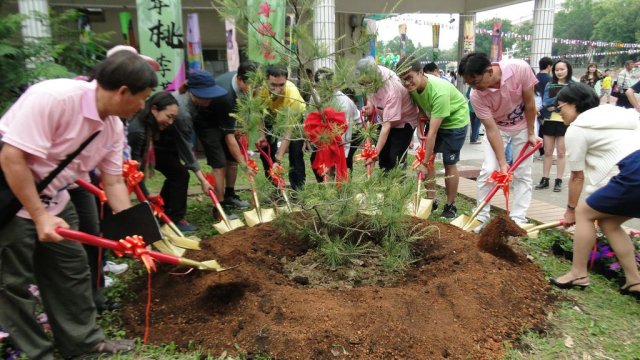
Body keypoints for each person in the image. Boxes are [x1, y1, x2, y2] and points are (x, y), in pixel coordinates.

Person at [0, 51, 157, 359]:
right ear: (123, 91)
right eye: (142, 99)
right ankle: (35, 351)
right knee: (11, 284)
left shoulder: (111, 127)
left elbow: (113, 182)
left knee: (71, 270)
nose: (142, 107)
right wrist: (39, 216)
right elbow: (11, 158)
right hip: (13, 197)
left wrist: (132, 234)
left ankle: (83, 342)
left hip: (56, 200)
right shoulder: (53, 98)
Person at [549, 82, 640, 300]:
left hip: (635, 172)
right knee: (609, 222)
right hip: (633, 172)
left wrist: (570, 211)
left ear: (575, 104)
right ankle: (635, 281)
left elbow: (577, 176)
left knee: (583, 213)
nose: (559, 114)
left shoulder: (578, 128)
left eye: (560, 108)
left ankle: (578, 273)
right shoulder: (617, 113)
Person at [458, 52, 538, 231]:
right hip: (498, 128)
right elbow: (492, 129)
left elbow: (530, 102)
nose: (474, 88)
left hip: (524, 125)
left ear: (489, 71)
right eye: (469, 84)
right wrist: (502, 163)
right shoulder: (476, 96)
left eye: (476, 82)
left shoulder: (519, 69)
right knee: (489, 170)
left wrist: (532, 133)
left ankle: (517, 219)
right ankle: (480, 216)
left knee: (522, 173)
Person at [128, 91, 214, 232]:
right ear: (154, 110)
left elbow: (186, 149)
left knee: (179, 174)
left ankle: (172, 216)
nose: (170, 122)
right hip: (123, 165)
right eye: (169, 117)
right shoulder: (137, 131)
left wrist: (202, 180)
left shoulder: (155, 123)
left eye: (173, 118)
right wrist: (148, 200)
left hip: (153, 150)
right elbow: (134, 173)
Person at [397, 58, 469, 218]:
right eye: (403, 80)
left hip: (455, 121)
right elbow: (422, 110)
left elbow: (433, 133)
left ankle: (450, 205)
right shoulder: (413, 89)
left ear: (420, 72)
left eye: (409, 77)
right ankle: (431, 201)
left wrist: (423, 163)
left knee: (449, 163)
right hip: (435, 118)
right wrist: (420, 127)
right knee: (428, 160)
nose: (407, 83)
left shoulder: (439, 92)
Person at [194, 62, 260, 208]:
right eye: (251, 85)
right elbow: (229, 137)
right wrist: (244, 163)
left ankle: (230, 194)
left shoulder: (249, 87)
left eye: (256, 85)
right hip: (208, 122)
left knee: (232, 160)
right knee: (219, 163)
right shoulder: (226, 95)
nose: (254, 89)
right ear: (239, 80)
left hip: (227, 118)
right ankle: (220, 205)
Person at [356, 57, 419, 171]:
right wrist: (370, 105)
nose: (364, 86)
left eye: (366, 83)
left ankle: (397, 181)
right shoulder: (370, 76)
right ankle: (384, 179)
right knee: (383, 156)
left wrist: (373, 155)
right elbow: (370, 93)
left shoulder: (391, 89)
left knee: (395, 157)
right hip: (385, 117)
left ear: (374, 79)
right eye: (363, 84)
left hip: (404, 121)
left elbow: (386, 127)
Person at [257, 65, 307, 190]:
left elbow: (288, 132)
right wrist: (262, 135)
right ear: (267, 80)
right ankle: (276, 187)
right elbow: (258, 113)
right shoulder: (261, 90)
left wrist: (279, 157)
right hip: (272, 113)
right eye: (273, 85)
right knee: (266, 151)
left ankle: (298, 191)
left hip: (293, 116)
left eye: (281, 85)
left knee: (296, 153)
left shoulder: (292, 94)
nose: (277, 89)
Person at [309, 68, 360, 182]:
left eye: (326, 88)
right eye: (319, 88)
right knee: (315, 159)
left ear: (333, 86)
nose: (322, 92)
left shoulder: (343, 103)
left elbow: (343, 135)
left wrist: (333, 156)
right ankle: (324, 186)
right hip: (326, 130)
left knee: (343, 161)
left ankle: (344, 190)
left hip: (352, 132)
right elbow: (312, 118)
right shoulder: (314, 96)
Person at [535, 60, 574, 192]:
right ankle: (545, 178)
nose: (559, 72)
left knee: (561, 152)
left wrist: (556, 104)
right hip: (549, 120)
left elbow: (575, 102)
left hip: (565, 121)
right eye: (557, 70)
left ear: (568, 69)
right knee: (548, 152)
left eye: (562, 69)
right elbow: (546, 102)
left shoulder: (573, 85)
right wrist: (562, 99)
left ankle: (559, 180)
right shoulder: (549, 84)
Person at [536, 57, 553, 158]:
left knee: (537, 130)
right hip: (546, 108)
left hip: (535, 107)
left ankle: (540, 151)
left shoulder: (534, 77)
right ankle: (543, 152)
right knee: (544, 131)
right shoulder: (551, 80)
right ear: (549, 66)